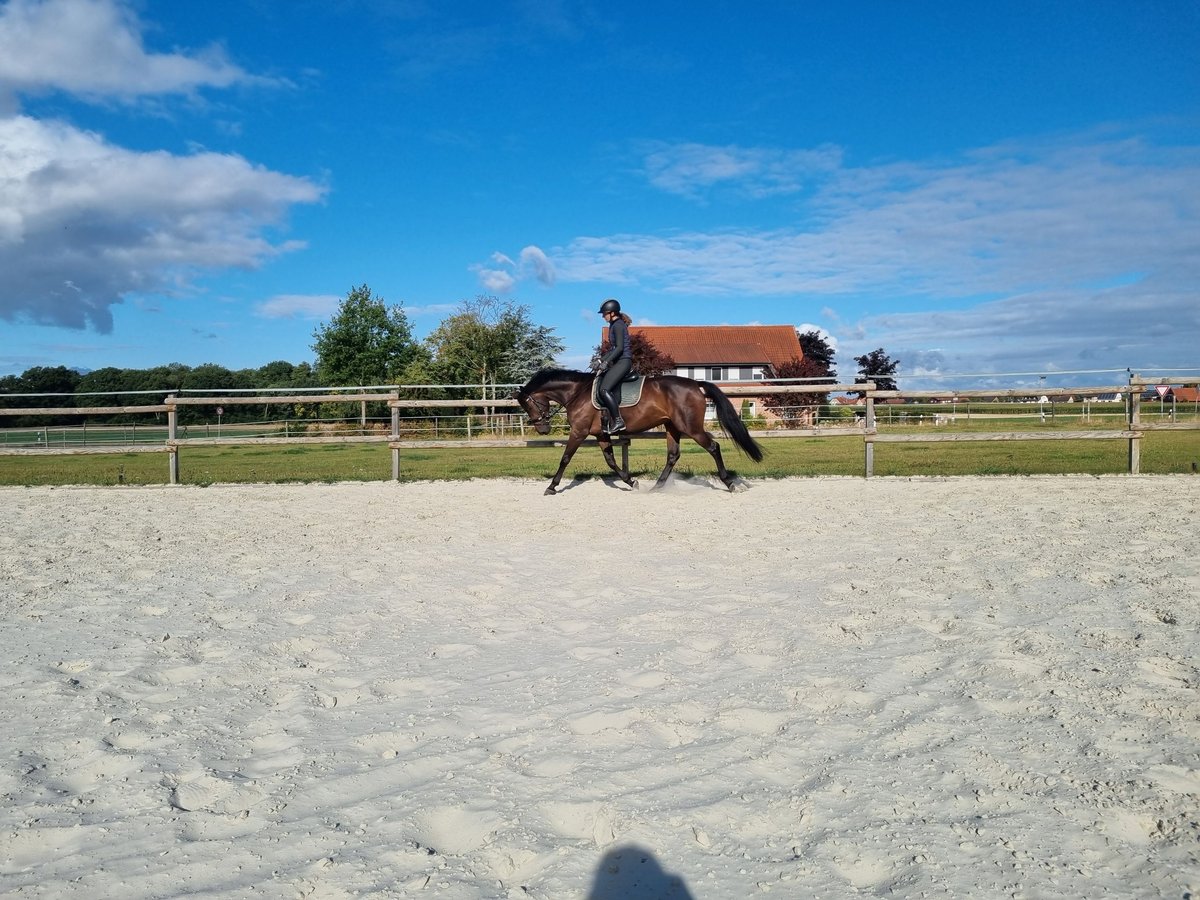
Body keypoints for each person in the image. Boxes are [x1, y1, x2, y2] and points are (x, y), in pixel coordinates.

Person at [597, 298, 633, 433]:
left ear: (612, 313)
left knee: (604, 389)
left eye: (604, 313)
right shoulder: (613, 325)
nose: (603, 316)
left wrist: (606, 362)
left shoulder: (618, 325)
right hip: (619, 361)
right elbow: (612, 349)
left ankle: (618, 421)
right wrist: (600, 360)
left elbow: (619, 348)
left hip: (623, 361)